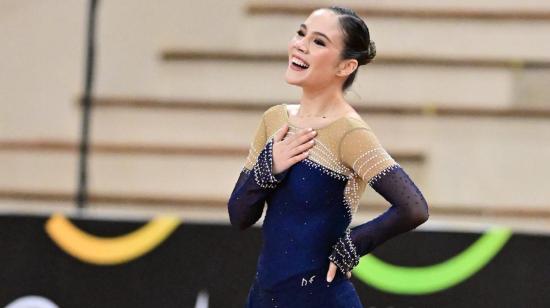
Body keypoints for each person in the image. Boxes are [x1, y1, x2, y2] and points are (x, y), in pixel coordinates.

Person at [227, 6, 429, 307]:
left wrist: (355, 244)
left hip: (322, 298)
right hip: (264, 298)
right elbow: (239, 215)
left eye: (318, 42)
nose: (300, 45)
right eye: (301, 33)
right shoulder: (274, 120)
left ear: (345, 67)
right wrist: (268, 170)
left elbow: (414, 207)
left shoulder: (349, 133)